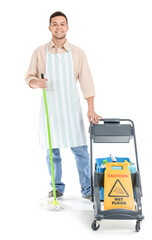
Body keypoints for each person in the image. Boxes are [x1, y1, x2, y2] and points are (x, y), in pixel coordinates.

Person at [25, 11, 103, 199]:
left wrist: (90, 108)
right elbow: (29, 77)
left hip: (71, 109)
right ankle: (57, 187)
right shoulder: (39, 52)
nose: (58, 27)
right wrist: (36, 83)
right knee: (52, 153)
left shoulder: (77, 53)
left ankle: (87, 190)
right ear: (50, 28)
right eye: (55, 24)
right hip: (50, 110)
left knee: (81, 151)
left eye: (62, 24)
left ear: (67, 27)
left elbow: (87, 82)